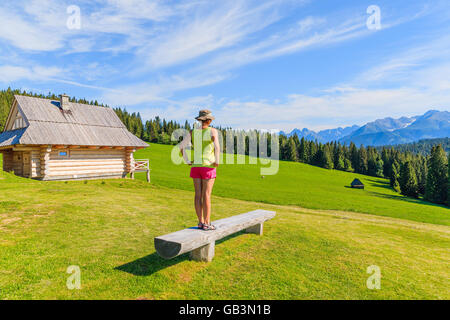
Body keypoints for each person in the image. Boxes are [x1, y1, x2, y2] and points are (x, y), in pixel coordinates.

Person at [179, 110, 220, 231]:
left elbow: (181, 147)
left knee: (197, 195)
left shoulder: (193, 132)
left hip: (196, 167)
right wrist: (217, 160)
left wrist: (187, 161)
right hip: (208, 166)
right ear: (209, 120)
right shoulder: (213, 131)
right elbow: (217, 147)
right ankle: (207, 223)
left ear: (199, 120)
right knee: (206, 195)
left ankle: (200, 222)